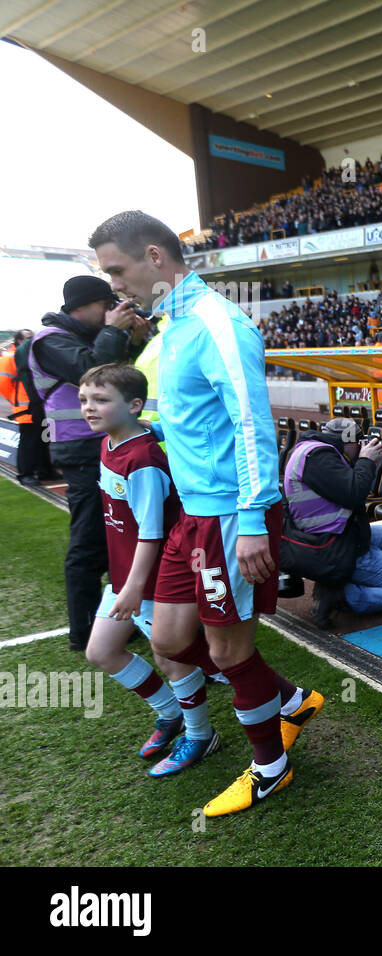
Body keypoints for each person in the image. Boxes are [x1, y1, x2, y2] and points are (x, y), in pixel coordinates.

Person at [91, 210, 322, 818]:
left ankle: (270, 768)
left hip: (226, 515)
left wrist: (251, 519)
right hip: (192, 517)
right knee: (168, 638)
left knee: (224, 652)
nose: (113, 284)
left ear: (156, 259)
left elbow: (251, 425)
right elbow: (198, 418)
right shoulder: (173, 328)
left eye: (117, 269)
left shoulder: (219, 322)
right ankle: (290, 701)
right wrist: (153, 426)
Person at [78, 363, 221, 777]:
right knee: (101, 651)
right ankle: (170, 713)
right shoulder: (110, 443)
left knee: (174, 660)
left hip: (156, 579)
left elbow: (152, 535)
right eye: (85, 399)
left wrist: (133, 588)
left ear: (135, 405)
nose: (89, 407)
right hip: (127, 576)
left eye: (101, 400)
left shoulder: (141, 459)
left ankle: (199, 735)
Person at [27, 275, 144, 652]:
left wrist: (134, 339)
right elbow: (94, 374)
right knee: (90, 541)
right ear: (86, 304)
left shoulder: (85, 335)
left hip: (107, 446)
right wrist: (113, 332)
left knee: (120, 536)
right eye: (106, 304)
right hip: (81, 452)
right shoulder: (49, 341)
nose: (111, 310)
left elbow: (123, 380)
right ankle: (85, 632)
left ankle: (122, 623)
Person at [282, 418, 382, 627]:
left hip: (336, 532)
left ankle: (339, 581)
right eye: (359, 442)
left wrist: (363, 463)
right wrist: (366, 461)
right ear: (348, 442)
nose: (361, 446)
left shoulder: (313, 450)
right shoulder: (319, 458)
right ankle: (345, 595)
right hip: (333, 545)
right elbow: (354, 493)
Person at [2, 329, 55, 484]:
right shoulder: (11, 357)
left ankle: (45, 471)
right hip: (25, 406)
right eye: (28, 337)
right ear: (18, 340)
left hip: (39, 404)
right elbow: (3, 383)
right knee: (29, 441)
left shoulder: (33, 354)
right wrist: (15, 400)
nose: (32, 339)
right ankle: (26, 474)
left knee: (43, 439)